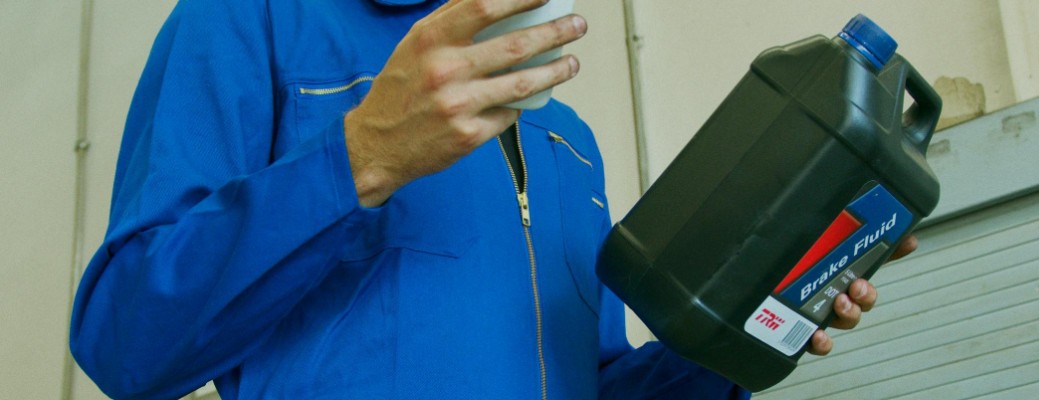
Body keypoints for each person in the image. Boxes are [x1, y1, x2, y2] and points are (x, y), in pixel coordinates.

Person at [69, 0, 910, 399]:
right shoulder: (247, 24)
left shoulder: (564, 136)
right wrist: (358, 159)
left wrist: (748, 316)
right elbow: (123, 344)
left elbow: (591, 385)